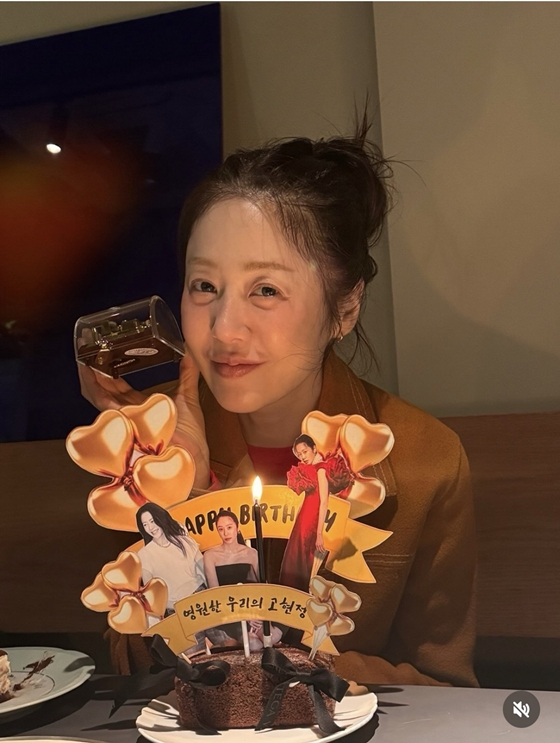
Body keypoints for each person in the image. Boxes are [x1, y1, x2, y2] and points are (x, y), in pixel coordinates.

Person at [79, 116, 478, 687]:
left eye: (265, 290)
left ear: (345, 309)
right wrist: (180, 494)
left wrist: (295, 671)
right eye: (204, 286)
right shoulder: (147, 449)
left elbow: (448, 690)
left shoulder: (426, 460)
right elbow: (136, 668)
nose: (224, 328)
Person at [203, 509, 263, 650]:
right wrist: (244, 615)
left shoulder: (251, 553)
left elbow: (261, 588)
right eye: (221, 529)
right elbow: (216, 594)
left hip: (252, 608)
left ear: (237, 527)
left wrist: (256, 613)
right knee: (254, 644)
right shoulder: (210, 556)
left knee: (271, 637)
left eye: (229, 527)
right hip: (227, 612)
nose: (226, 533)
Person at [279, 435, 330, 592]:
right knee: (294, 552)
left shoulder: (321, 469)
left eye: (305, 451)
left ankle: (298, 590)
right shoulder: (311, 468)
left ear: (314, 448)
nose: (302, 457)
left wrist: (319, 533)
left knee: (303, 553)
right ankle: (289, 590)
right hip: (303, 516)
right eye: (299, 454)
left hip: (312, 518)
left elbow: (324, 502)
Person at [136, 503, 206, 611]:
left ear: (160, 518)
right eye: (145, 524)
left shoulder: (184, 540)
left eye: (152, 521)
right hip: (175, 606)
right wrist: (172, 605)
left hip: (200, 594)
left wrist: (214, 593)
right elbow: (151, 592)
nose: (150, 527)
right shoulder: (144, 554)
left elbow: (204, 569)